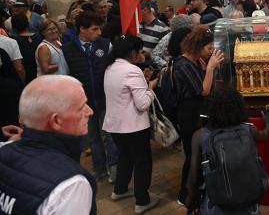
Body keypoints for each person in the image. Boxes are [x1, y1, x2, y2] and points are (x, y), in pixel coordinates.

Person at [0, 75, 96, 214]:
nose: (90, 112)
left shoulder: (5, 150)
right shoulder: (71, 185)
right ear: (56, 121)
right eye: (81, 108)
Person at [185, 87, 269, 214]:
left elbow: (193, 177)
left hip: (217, 204)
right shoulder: (248, 129)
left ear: (212, 109)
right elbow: (264, 135)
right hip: (247, 201)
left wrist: (190, 198)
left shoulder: (200, 136)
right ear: (239, 107)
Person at [103, 35, 159, 214]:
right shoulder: (132, 71)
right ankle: (142, 200)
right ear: (132, 53)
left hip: (114, 125)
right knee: (142, 162)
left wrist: (142, 82)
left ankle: (119, 190)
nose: (142, 54)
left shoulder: (111, 67)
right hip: (133, 126)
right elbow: (142, 104)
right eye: (140, 51)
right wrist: (150, 88)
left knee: (125, 156)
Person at [62, 11, 119, 182]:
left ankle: (114, 166)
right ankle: (99, 168)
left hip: (105, 99)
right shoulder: (67, 50)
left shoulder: (105, 45)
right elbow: (65, 77)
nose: (99, 32)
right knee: (92, 138)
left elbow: (113, 70)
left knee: (110, 135)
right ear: (82, 29)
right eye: (95, 29)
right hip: (84, 103)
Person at [174, 26, 224, 205]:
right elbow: (203, 90)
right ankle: (184, 194)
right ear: (198, 46)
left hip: (197, 112)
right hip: (188, 114)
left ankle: (199, 187)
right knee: (191, 154)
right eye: (208, 48)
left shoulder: (194, 61)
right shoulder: (182, 65)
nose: (210, 51)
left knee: (199, 152)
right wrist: (210, 67)